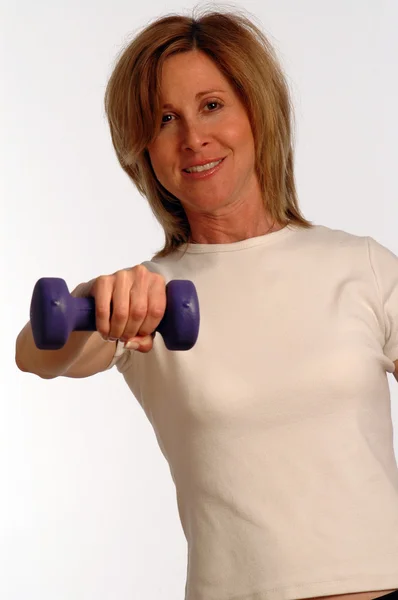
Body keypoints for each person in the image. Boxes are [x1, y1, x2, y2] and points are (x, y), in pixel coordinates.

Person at [15, 7, 398, 600]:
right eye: (165, 118)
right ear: (144, 147)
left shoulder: (363, 265)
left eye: (212, 105)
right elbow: (36, 354)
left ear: (257, 111)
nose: (193, 137)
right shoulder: (143, 299)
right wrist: (94, 298)